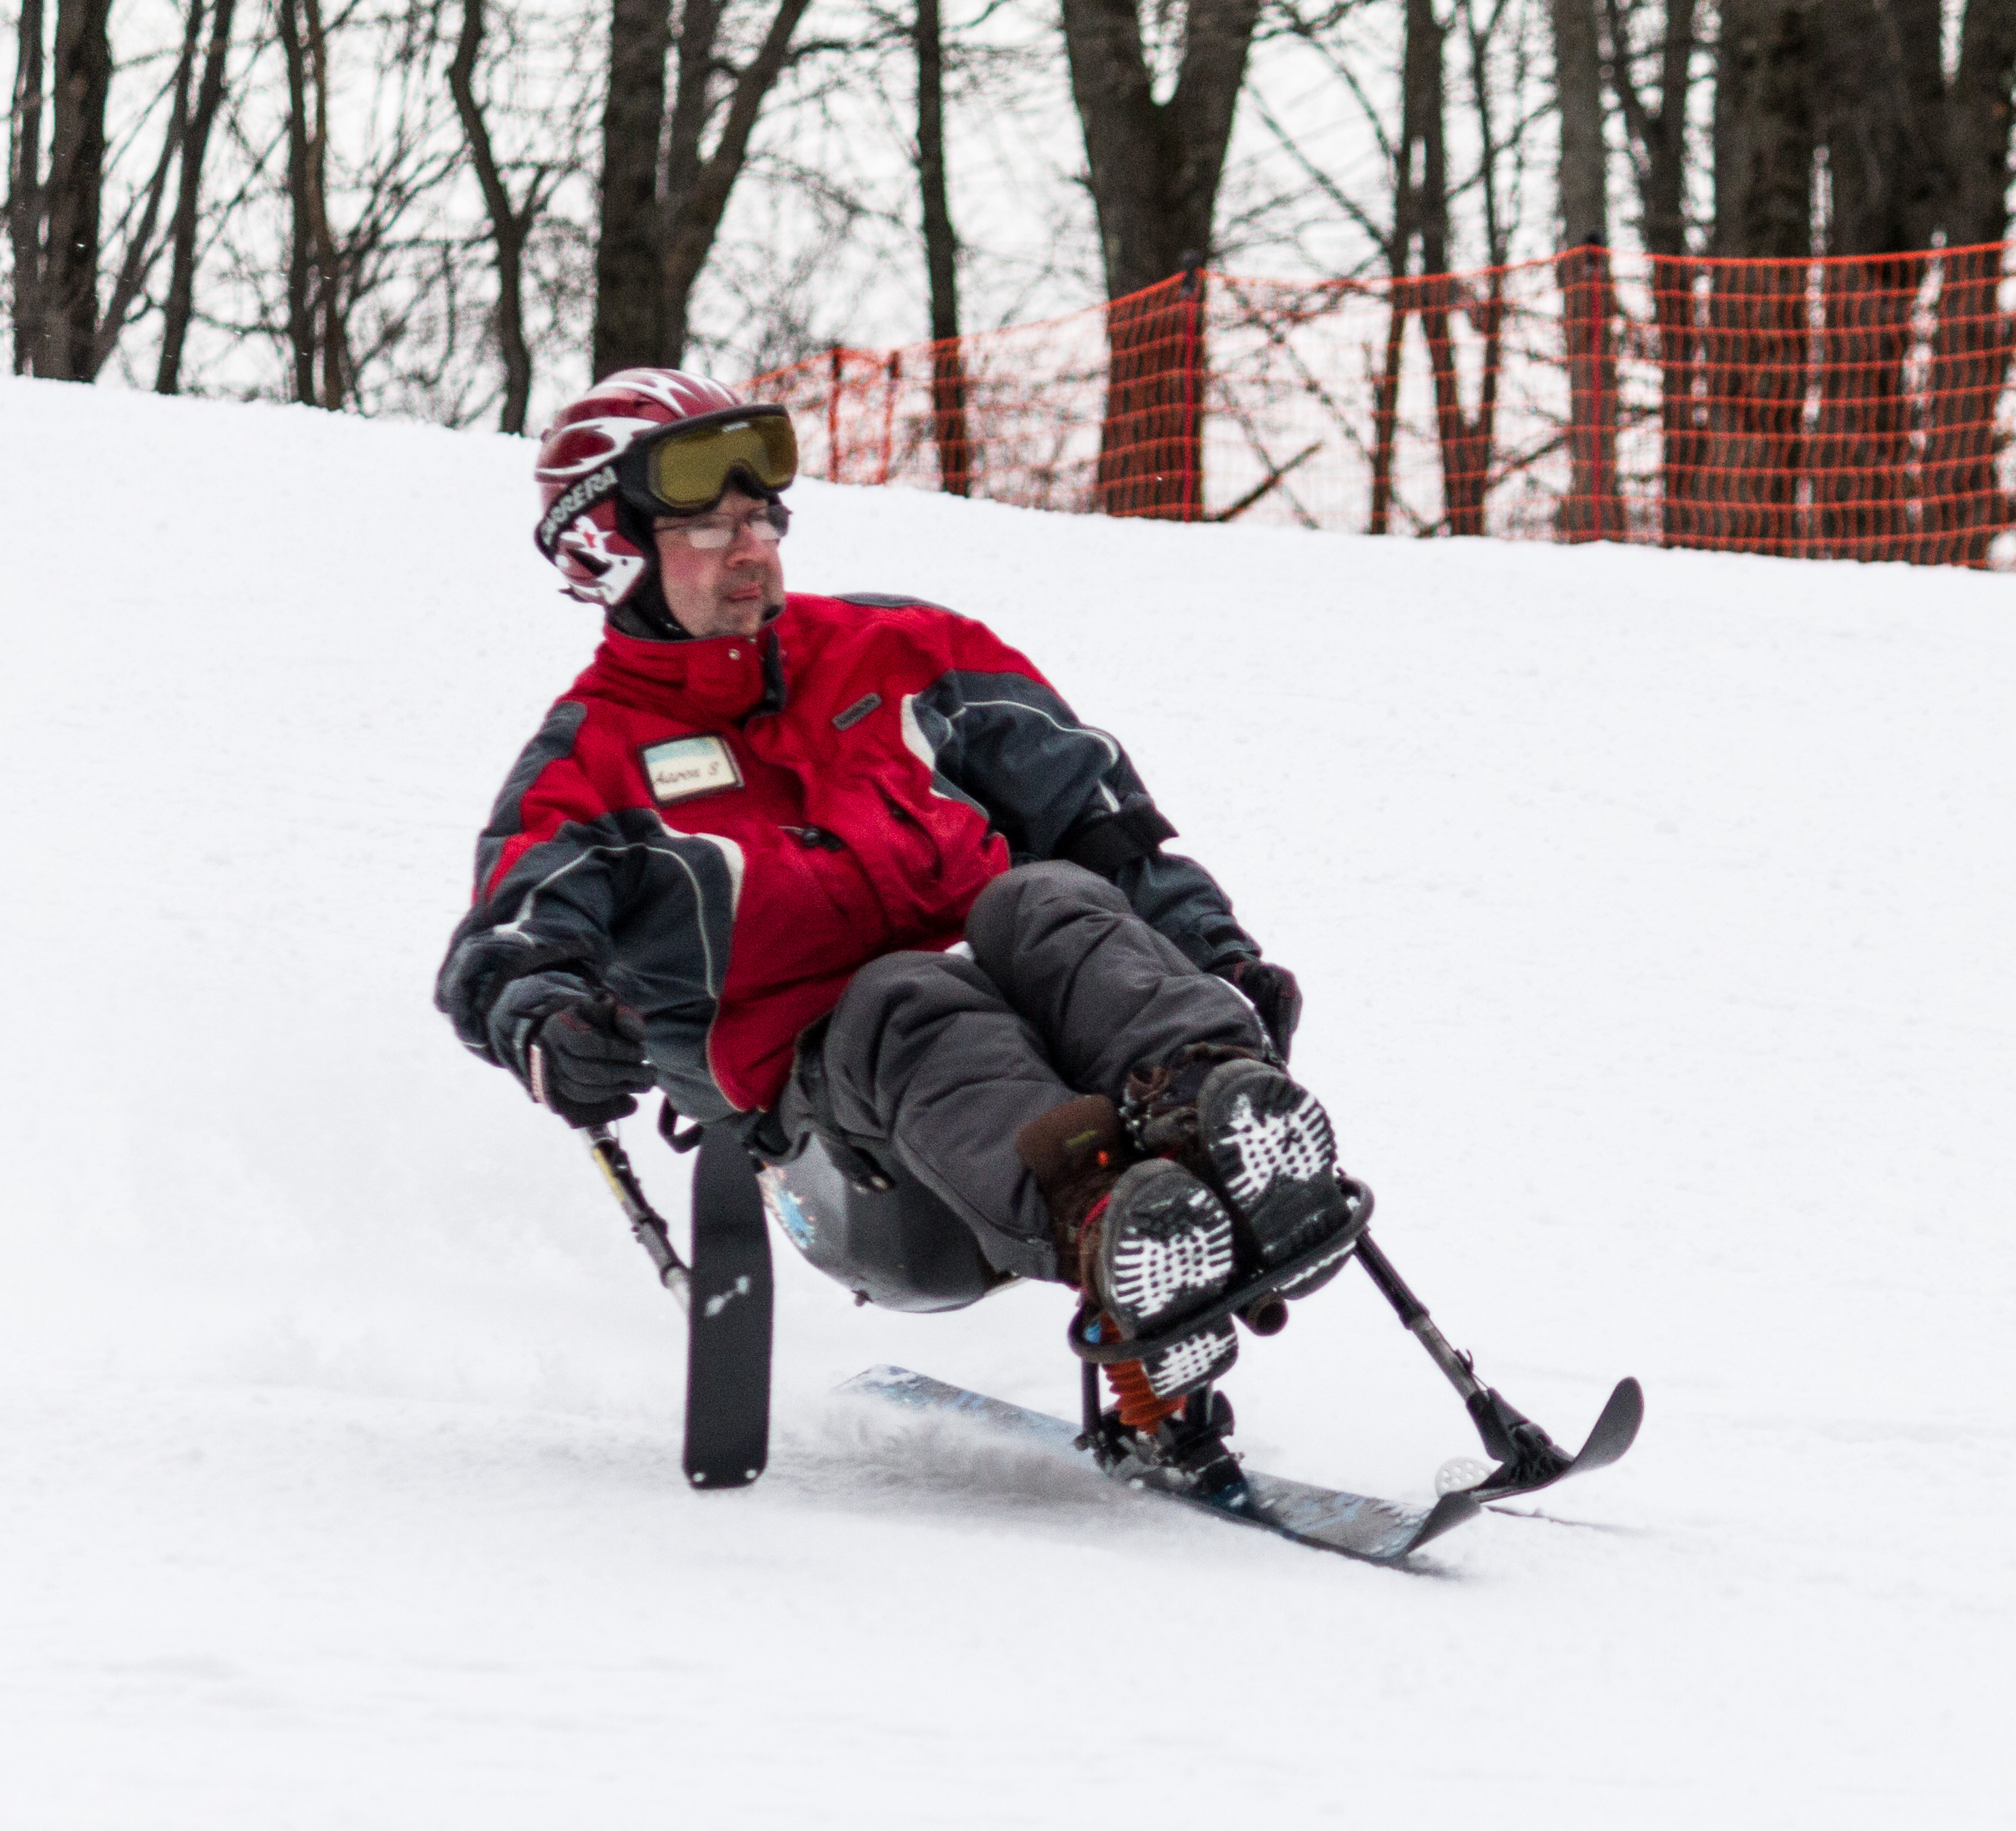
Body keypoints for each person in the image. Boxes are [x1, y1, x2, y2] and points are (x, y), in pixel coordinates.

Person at [434, 369, 1344, 1476]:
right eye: (707, 529)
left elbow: (1101, 827)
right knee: (907, 995)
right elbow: (505, 946)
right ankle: (1123, 1233)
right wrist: (547, 1024)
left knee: (1044, 898)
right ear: (606, 552)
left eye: (761, 517)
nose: (753, 548)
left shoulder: (907, 650)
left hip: (1040, 1047)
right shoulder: (593, 763)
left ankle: (1227, 1119)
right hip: (859, 1169)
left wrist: (1215, 953)